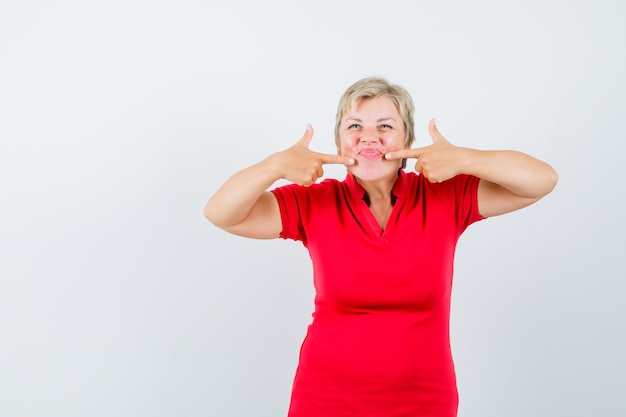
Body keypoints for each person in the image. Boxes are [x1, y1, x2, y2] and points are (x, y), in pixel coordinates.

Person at [204, 77, 558, 417]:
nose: (368, 138)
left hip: (425, 400)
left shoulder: (446, 196)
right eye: (354, 126)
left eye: (385, 126)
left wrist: (464, 159)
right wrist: (274, 166)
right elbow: (222, 213)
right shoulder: (313, 203)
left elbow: (541, 180)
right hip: (326, 400)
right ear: (339, 142)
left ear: (407, 139)